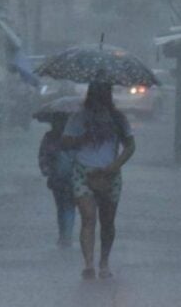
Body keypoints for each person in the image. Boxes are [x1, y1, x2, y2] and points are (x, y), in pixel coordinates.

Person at [61, 82, 136, 280]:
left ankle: (104, 261)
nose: (100, 98)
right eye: (97, 94)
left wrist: (115, 165)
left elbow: (130, 145)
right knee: (88, 217)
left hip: (110, 173)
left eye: (104, 94)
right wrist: (81, 138)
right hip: (83, 172)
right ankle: (88, 264)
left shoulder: (118, 119)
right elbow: (65, 142)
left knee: (107, 221)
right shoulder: (79, 117)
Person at [38, 114, 76, 247]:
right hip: (70, 178)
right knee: (67, 207)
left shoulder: (50, 137)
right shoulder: (76, 135)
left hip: (59, 179)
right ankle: (66, 235)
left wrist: (46, 170)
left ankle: (64, 236)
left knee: (63, 207)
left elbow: (43, 156)